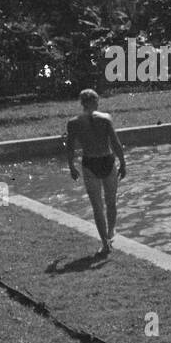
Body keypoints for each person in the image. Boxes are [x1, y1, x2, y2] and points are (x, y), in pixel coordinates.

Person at [65, 90, 126, 255]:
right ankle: (111, 232)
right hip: (107, 160)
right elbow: (115, 143)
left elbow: (70, 147)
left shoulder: (73, 123)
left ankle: (105, 244)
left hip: (90, 162)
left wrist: (71, 166)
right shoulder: (106, 118)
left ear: (82, 103)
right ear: (96, 101)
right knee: (111, 201)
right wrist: (123, 163)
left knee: (97, 207)